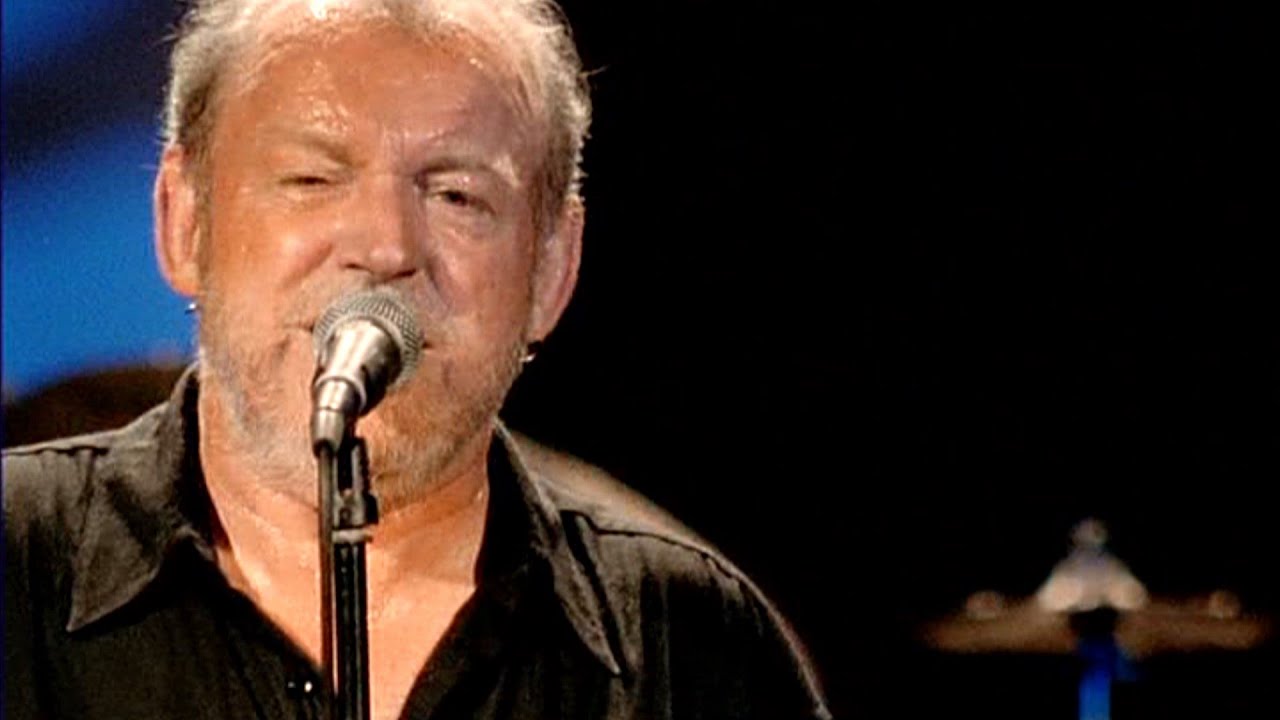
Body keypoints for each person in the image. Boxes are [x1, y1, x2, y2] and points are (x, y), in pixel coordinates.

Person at [3, 1, 832, 718]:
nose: (387, 247)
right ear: (184, 222)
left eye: (456, 196)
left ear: (553, 269)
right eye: (312, 179)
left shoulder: (691, 646)